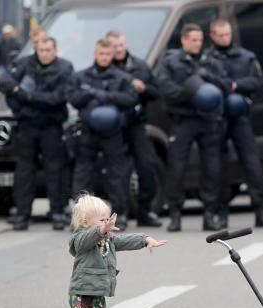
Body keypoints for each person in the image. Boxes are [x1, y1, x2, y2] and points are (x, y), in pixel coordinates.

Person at [67, 194, 166, 308]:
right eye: (102, 220)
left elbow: (123, 240)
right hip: (81, 293)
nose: (107, 224)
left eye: (108, 220)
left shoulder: (106, 238)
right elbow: (84, 242)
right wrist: (100, 230)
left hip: (97, 292)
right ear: (85, 222)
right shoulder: (79, 239)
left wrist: (145, 240)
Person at [154, 23, 231, 232]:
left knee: (211, 167)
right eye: (193, 40)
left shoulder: (210, 61)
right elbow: (165, 89)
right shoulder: (171, 61)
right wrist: (190, 92)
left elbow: (225, 85)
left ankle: (209, 213)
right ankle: (175, 214)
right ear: (184, 40)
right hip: (183, 120)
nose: (198, 44)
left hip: (208, 120)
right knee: (176, 166)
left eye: (200, 40)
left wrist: (207, 77)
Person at [0, 36, 73, 231]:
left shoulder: (65, 68)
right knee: (24, 170)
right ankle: (22, 213)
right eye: (41, 50)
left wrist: (27, 96)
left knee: (54, 170)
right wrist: (20, 91)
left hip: (51, 126)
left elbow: (58, 98)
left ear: (55, 50)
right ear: (36, 50)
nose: (45, 54)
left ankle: (57, 212)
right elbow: (4, 83)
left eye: (48, 50)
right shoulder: (24, 63)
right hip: (28, 125)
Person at [206, 19, 263, 228]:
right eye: (220, 35)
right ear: (212, 36)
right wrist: (229, 86)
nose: (225, 38)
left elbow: (255, 81)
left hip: (241, 117)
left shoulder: (246, 56)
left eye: (227, 34)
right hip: (217, 117)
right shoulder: (207, 58)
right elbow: (207, 81)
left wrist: (235, 85)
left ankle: (260, 209)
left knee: (251, 162)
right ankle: (221, 211)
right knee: (219, 166)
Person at [67, 38, 138, 231]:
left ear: (112, 55)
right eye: (101, 54)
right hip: (88, 130)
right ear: (95, 54)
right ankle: (80, 216)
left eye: (108, 54)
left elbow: (131, 98)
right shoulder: (81, 76)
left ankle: (120, 214)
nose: (105, 58)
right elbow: (73, 98)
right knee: (83, 173)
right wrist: (89, 94)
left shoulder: (121, 77)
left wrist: (106, 96)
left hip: (112, 132)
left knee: (116, 173)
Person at [106, 30, 162, 227]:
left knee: (147, 165)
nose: (119, 49)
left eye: (121, 45)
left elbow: (157, 92)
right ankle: (119, 213)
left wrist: (144, 88)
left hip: (137, 124)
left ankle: (145, 210)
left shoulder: (139, 65)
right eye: (114, 46)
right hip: (114, 125)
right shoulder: (105, 68)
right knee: (118, 171)